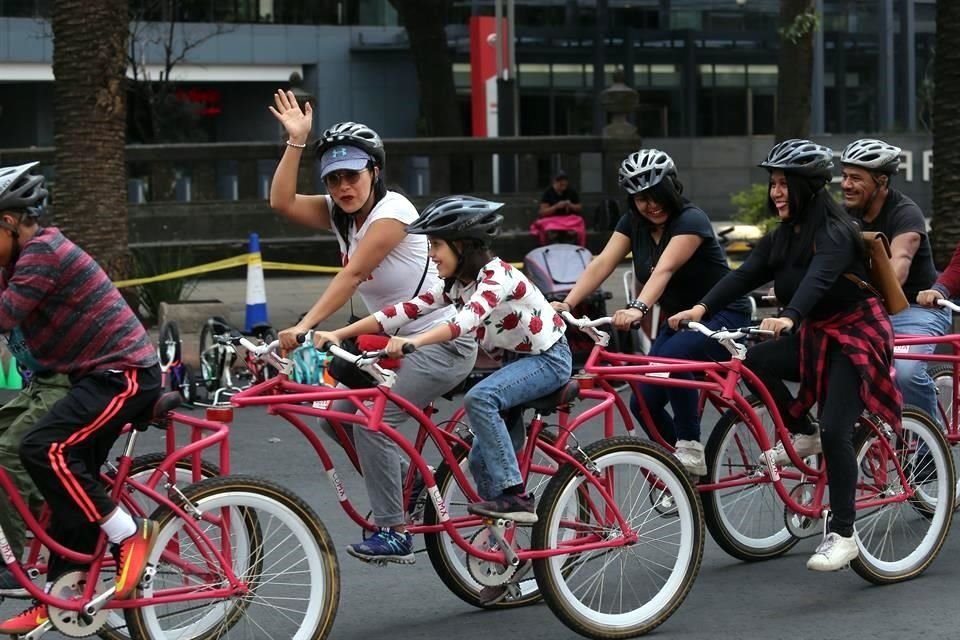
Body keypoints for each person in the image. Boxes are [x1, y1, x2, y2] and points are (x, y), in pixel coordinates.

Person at [670, 140, 901, 572]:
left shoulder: (836, 232)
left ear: (807, 187)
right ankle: (802, 429)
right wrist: (700, 309)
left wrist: (791, 316)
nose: (776, 192)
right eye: (772, 183)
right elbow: (745, 275)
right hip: (816, 335)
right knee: (757, 363)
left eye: (784, 183)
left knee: (837, 430)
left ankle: (845, 533)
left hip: (856, 336)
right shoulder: (782, 236)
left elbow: (820, 278)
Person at [268, 91, 477, 564]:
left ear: (375, 173)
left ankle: (394, 530)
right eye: (335, 178)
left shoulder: (393, 215)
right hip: (385, 343)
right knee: (335, 413)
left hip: (439, 343)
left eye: (353, 175)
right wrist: (296, 142)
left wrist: (305, 325)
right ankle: (405, 482)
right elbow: (281, 202)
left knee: (372, 424)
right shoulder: (342, 215)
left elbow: (353, 274)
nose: (344, 187)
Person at [316, 196, 572, 523]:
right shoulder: (456, 284)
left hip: (550, 359)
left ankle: (515, 498)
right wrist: (340, 332)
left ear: (463, 245)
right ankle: (497, 519)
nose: (430, 254)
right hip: (520, 362)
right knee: (479, 455)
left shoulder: (497, 277)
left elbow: (465, 322)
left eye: (436, 245)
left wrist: (414, 340)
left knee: (481, 398)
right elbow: (401, 311)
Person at [0, 163, 161, 635]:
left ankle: (129, 535)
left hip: (124, 375)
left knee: (41, 447)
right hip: (93, 377)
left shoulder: (43, 253)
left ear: (9, 223)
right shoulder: (17, 259)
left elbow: (5, 315)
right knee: (68, 483)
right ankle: (59, 599)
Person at [551, 149, 752, 476]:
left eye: (656, 194)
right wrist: (567, 303)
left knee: (673, 361)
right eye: (640, 198)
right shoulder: (633, 223)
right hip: (679, 321)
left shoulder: (691, 220)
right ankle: (683, 474)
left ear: (673, 187)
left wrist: (637, 308)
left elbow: (664, 269)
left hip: (721, 316)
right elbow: (603, 262)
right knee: (642, 402)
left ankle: (690, 446)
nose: (651, 204)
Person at [840, 138, 949, 422]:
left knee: (906, 372)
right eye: (844, 176)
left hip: (915, 309)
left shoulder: (905, 214)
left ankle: (928, 450)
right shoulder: (844, 215)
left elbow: (896, 270)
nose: (846, 184)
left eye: (855, 178)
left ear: (882, 181)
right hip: (868, 310)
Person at [0, 330, 71, 597]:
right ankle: (40, 513)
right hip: (38, 384)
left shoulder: (23, 291)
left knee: (7, 452)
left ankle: (11, 560)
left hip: (65, 385)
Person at [531, 171, 585, 246]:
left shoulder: (571, 191)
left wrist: (570, 205)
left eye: (565, 185)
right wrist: (556, 207)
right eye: (561, 185)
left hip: (569, 220)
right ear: (555, 182)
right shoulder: (548, 193)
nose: (563, 187)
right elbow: (542, 212)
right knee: (549, 230)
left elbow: (579, 208)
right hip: (552, 220)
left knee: (576, 227)